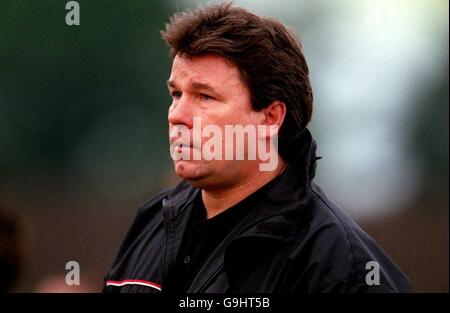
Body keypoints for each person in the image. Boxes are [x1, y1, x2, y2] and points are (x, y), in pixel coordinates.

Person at [103, 3, 411, 293]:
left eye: (204, 97)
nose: (177, 115)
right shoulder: (153, 221)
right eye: (176, 94)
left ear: (270, 117)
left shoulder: (340, 268)